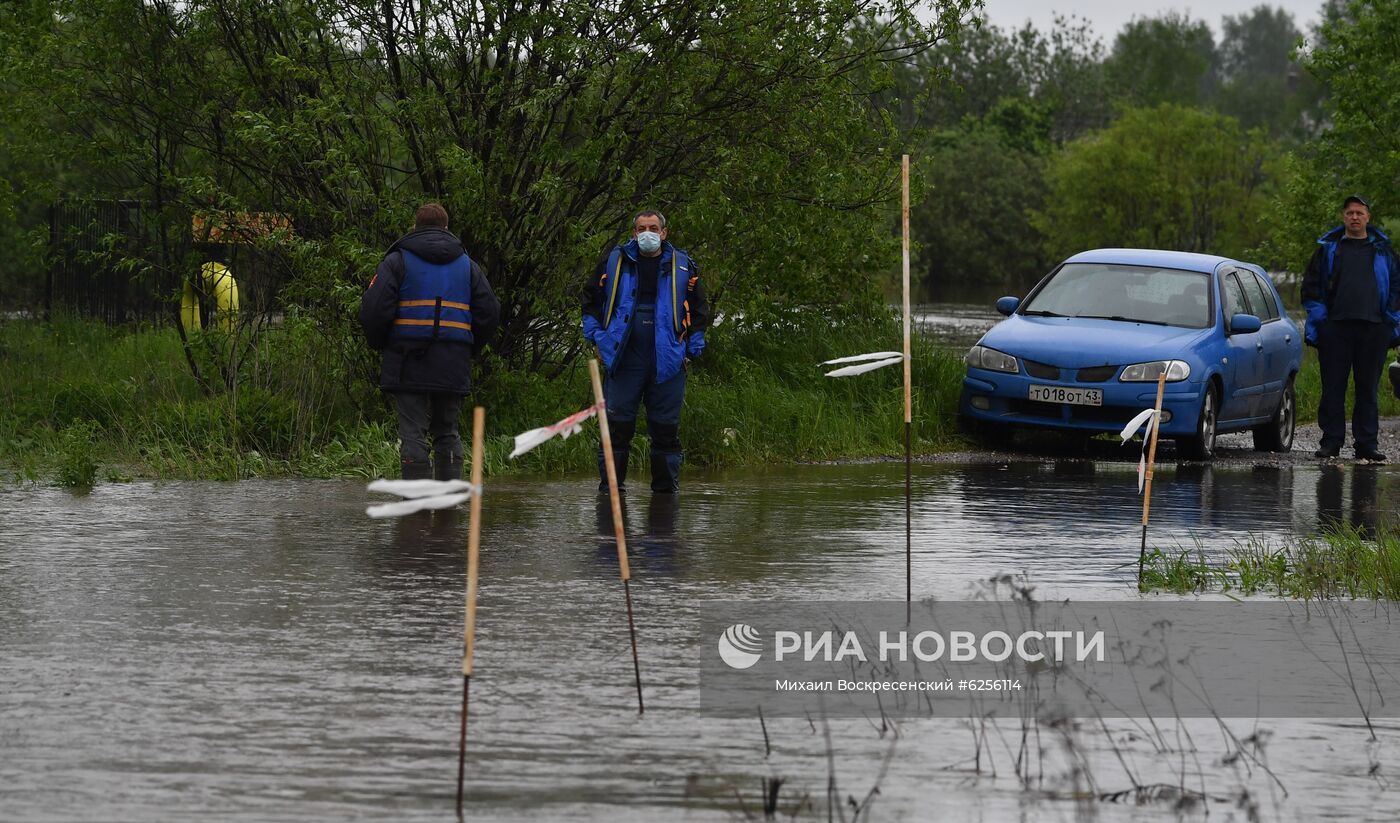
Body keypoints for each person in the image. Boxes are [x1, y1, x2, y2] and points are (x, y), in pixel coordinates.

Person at [359, 203, 500, 480]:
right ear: (446, 228)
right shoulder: (467, 265)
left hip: (406, 359)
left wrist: (380, 344)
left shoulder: (397, 261)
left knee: (413, 432)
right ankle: (447, 511)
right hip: (452, 360)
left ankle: (417, 512)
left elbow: (373, 311)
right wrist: (469, 347)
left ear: (415, 227)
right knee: (447, 432)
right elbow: (491, 312)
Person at [581, 210, 710, 493]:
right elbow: (590, 300)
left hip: (668, 360)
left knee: (665, 430)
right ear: (633, 233)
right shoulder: (614, 262)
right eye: (641, 228)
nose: (647, 233)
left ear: (664, 233)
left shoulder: (684, 266)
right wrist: (597, 340)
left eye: (653, 227)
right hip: (624, 358)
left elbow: (699, 310)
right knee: (617, 428)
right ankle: (611, 494)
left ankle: (665, 500)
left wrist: (691, 351)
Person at [1301, 194, 1400, 462]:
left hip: (1374, 329)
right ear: (1343, 217)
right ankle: (1331, 442)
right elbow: (1311, 287)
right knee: (1333, 388)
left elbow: (1396, 287)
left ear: (1368, 217)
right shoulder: (1328, 249)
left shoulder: (1383, 251)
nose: (1354, 217)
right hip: (1335, 329)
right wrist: (1322, 320)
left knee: (1367, 389)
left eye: (1359, 213)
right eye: (1349, 213)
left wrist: (1390, 320)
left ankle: (1366, 444)